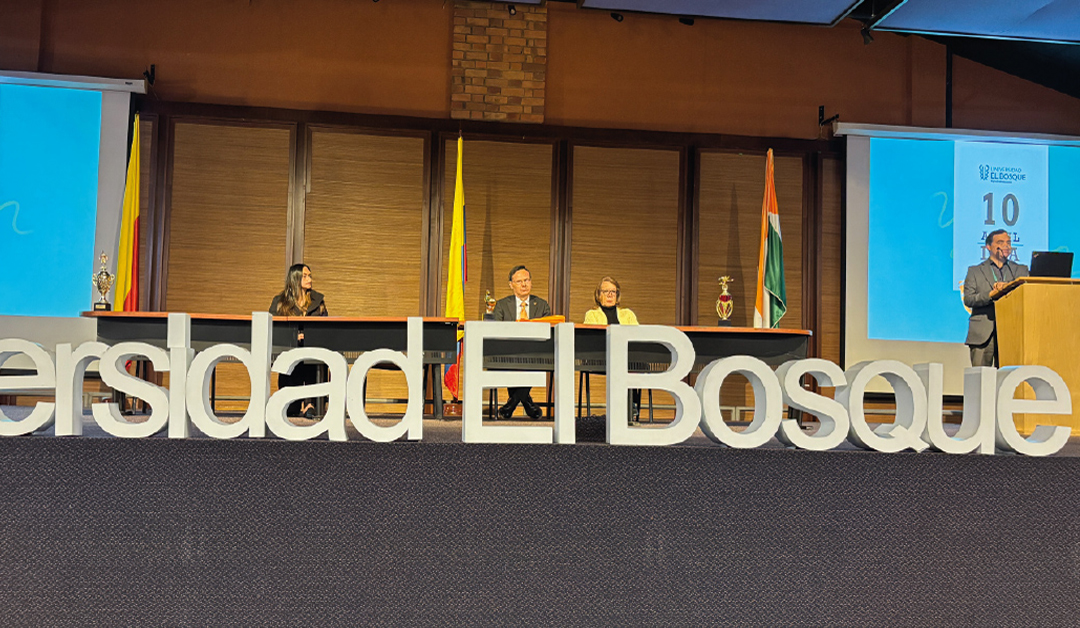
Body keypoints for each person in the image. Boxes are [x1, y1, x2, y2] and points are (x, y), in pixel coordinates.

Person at [269, 263, 328, 418]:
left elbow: (325, 327)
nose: (310, 279)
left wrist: (308, 336)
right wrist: (293, 336)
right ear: (295, 279)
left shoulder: (318, 301)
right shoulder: (280, 302)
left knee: (312, 359)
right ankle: (293, 403)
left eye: (310, 275)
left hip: (311, 351)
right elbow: (273, 329)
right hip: (288, 351)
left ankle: (311, 404)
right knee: (291, 411)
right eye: (305, 276)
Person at [492, 265, 551, 420]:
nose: (524, 284)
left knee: (530, 360)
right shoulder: (502, 305)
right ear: (511, 285)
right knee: (515, 361)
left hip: (535, 352)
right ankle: (527, 403)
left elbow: (547, 331)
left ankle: (511, 404)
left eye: (526, 280)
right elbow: (496, 330)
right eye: (519, 281)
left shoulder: (542, 305)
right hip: (508, 351)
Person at [963, 229, 1028, 367]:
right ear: (988, 247)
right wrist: (990, 294)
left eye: (1008, 243)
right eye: (1000, 242)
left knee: (1008, 379)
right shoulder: (974, 271)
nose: (1006, 246)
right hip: (982, 334)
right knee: (979, 380)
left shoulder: (1020, 271)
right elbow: (968, 299)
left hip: (1011, 331)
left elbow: (1026, 296)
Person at [583, 276, 642, 422]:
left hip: (625, 358)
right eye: (606, 291)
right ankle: (625, 409)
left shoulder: (628, 314)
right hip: (601, 358)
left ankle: (631, 409)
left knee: (632, 365)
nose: (610, 295)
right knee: (625, 366)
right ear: (598, 295)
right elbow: (590, 340)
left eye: (613, 292)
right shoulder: (592, 315)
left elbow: (637, 336)